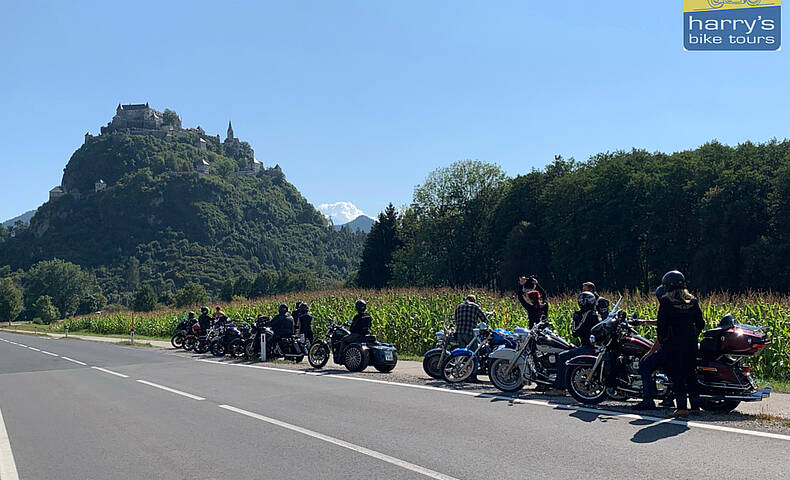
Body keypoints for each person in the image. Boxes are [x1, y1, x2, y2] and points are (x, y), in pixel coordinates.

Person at [656, 270, 705, 417]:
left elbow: (661, 326)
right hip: (691, 344)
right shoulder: (693, 301)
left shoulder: (666, 302)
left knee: (678, 376)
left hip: (674, 345)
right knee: (691, 374)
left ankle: (682, 407)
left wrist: (664, 341)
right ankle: (696, 406)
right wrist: (693, 334)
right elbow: (701, 323)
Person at [554, 292, 600, 390]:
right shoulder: (595, 314)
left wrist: (575, 319)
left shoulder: (587, 315)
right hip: (595, 348)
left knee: (563, 356)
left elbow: (575, 332)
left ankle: (560, 388)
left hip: (589, 348)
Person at [631, 312, 675, 410]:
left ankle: (648, 400)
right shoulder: (681, 305)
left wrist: (650, 352)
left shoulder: (666, 304)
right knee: (667, 368)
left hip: (669, 347)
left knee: (644, 364)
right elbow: (662, 322)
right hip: (683, 345)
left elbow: (661, 336)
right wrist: (644, 322)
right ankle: (669, 397)